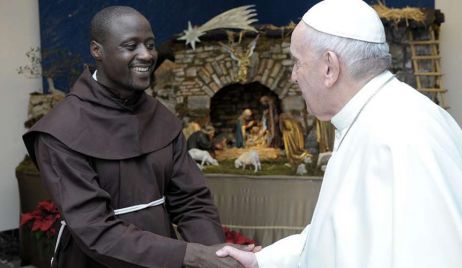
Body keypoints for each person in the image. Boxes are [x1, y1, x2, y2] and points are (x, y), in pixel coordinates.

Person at [216, 0, 462, 267]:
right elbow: (336, 236)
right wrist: (261, 261)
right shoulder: (368, 118)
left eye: (298, 63)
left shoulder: (403, 134)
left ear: (329, 67)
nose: (293, 77)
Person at [23, 6, 248, 268]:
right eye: (131, 46)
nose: (147, 55)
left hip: (166, 260)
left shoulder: (160, 117)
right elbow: (94, 229)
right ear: (97, 50)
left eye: (150, 45)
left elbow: (192, 201)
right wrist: (193, 256)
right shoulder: (60, 130)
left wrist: (216, 255)